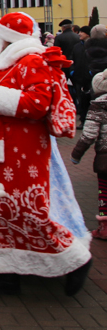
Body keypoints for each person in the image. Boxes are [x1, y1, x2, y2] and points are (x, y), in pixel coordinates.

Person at [0, 11, 92, 296]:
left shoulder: (33, 60)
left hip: (22, 153)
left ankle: (75, 260)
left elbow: (38, 103)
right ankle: (7, 273)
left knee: (27, 210)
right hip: (0, 152)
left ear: (9, 38)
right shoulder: (11, 62)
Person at [71, 91, 107, 240]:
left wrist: (76, 155)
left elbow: (89, 135)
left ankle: (104, 228)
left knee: (104, 191)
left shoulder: (100, 104)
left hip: (105, 156)